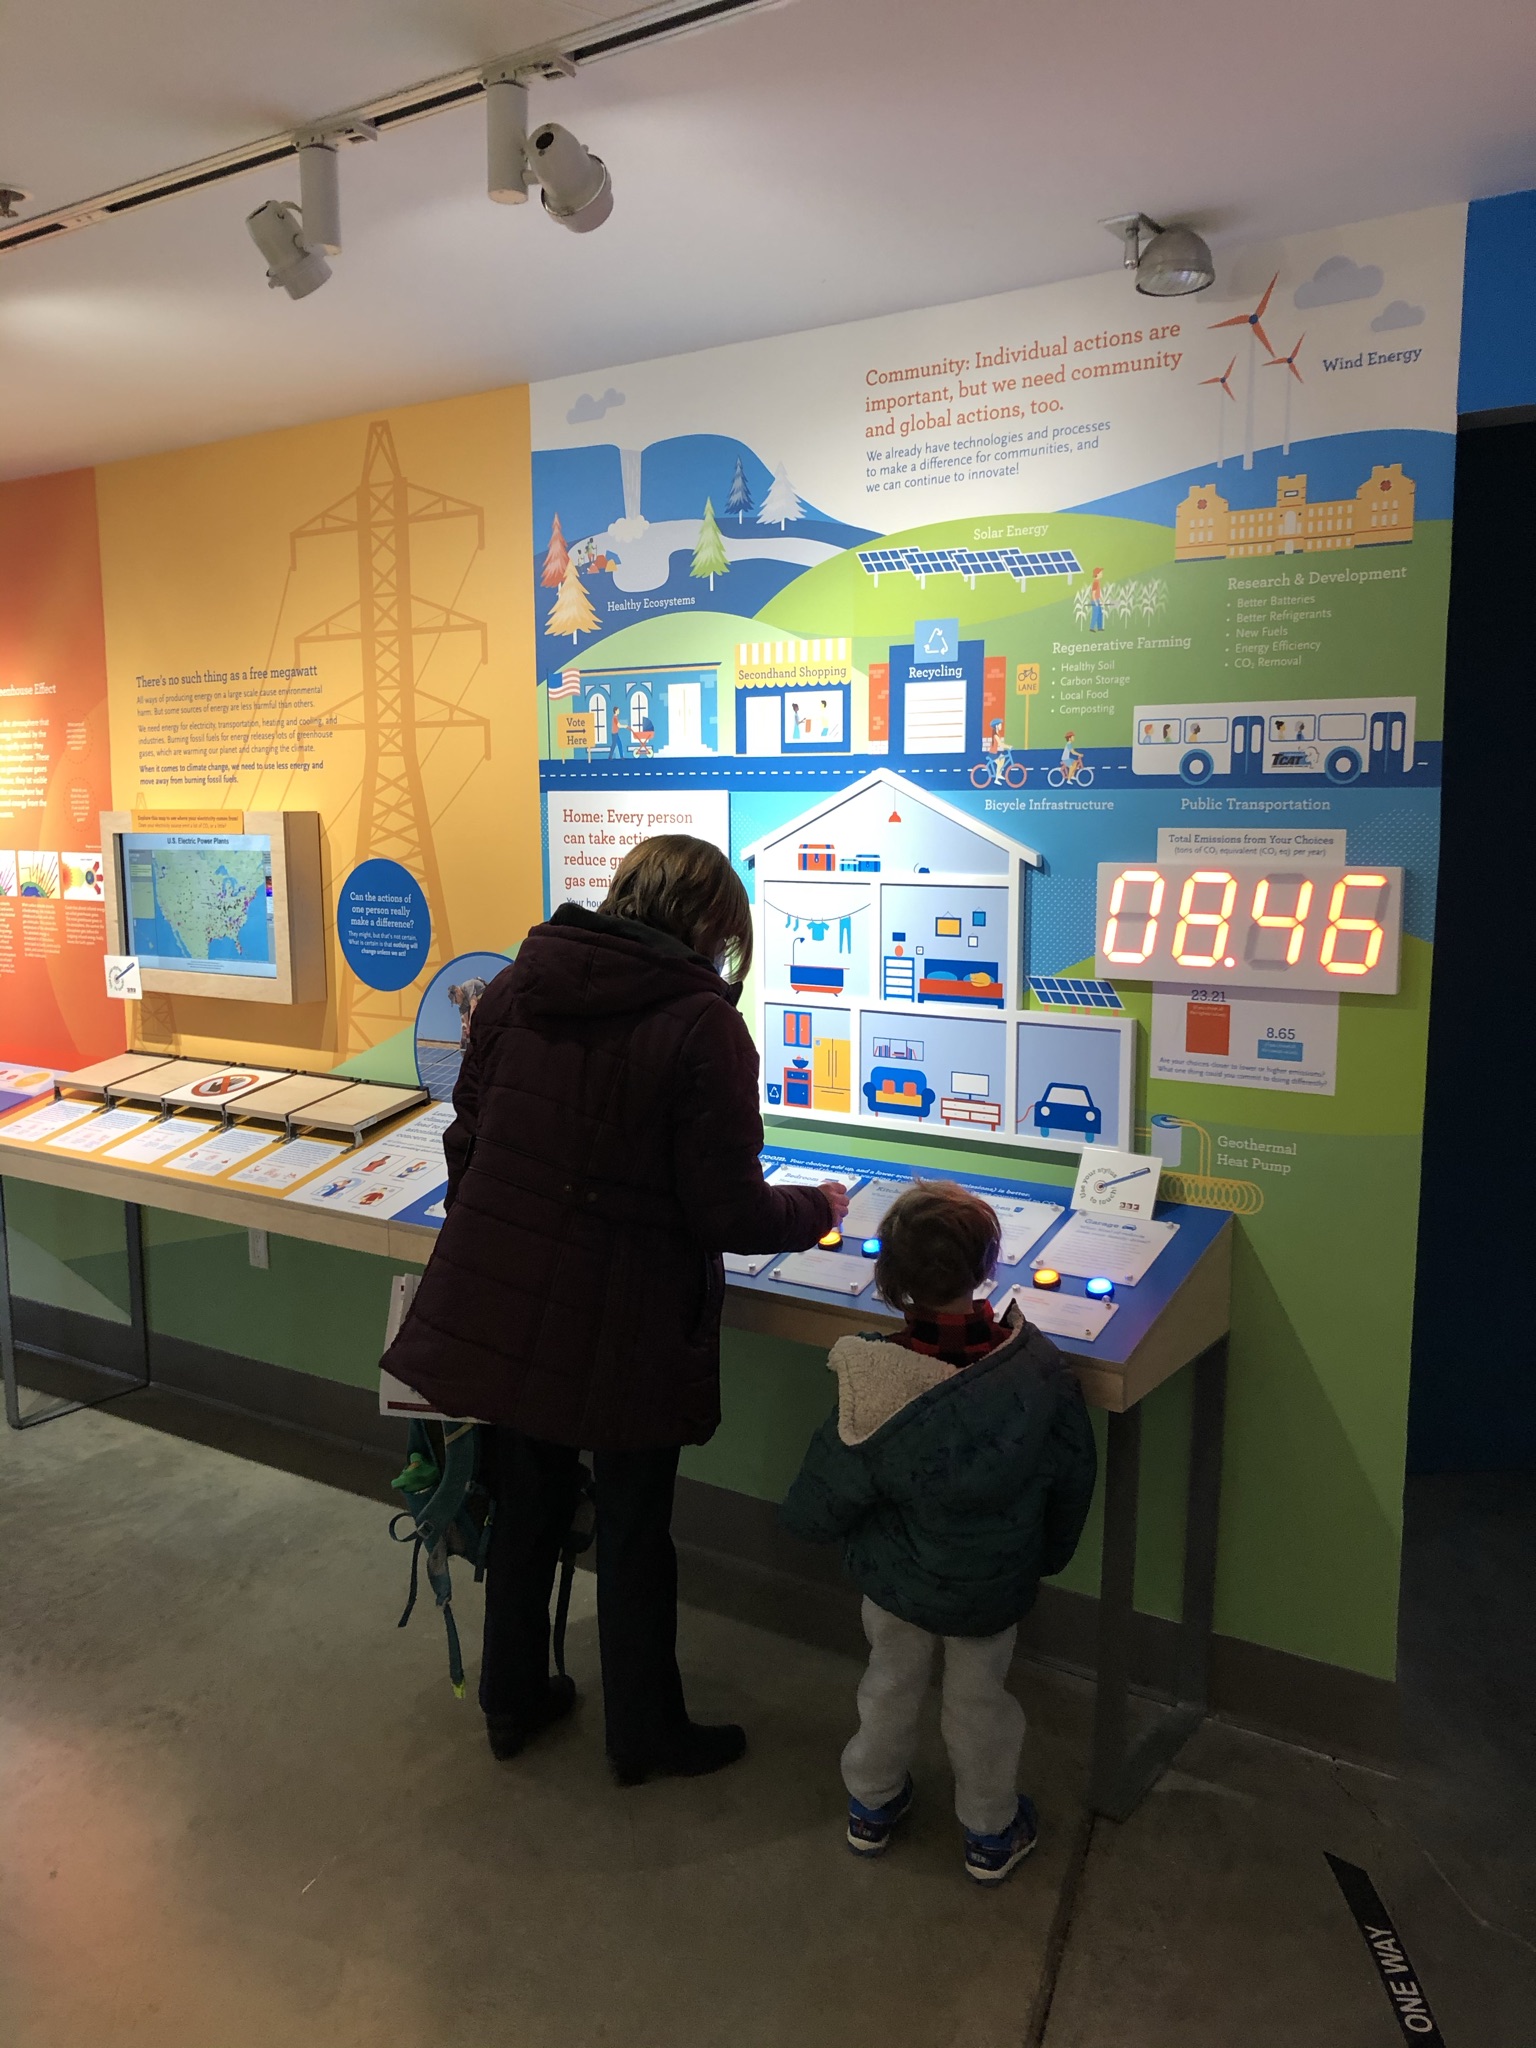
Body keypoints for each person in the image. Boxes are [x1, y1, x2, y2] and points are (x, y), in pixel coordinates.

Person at [382, 836, 849, 1782]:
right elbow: (728, 1209)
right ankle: (644, 1732)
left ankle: (512, 1704)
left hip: (513, 1308)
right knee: (635, 1533)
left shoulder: (518, 987)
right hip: (628, 1327)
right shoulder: (701, 1026)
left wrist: (516, 1236)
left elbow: (466, 1140)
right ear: (715, 928)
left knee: (526, 1509)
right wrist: (820, 1210)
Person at [779, 1182, 1096, 1885]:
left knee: (888, 1682)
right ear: (989, 1266)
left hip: (896, 1583)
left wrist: (803, 1523)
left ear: (887, 1280)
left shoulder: (871, 1380)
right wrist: (1046, 1556)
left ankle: (871, 1803)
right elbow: (1073, 1474)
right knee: (980, 1703)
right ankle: (989, 1830)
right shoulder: (1038, 1375)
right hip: (991, 1585)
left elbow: (828, 1487)